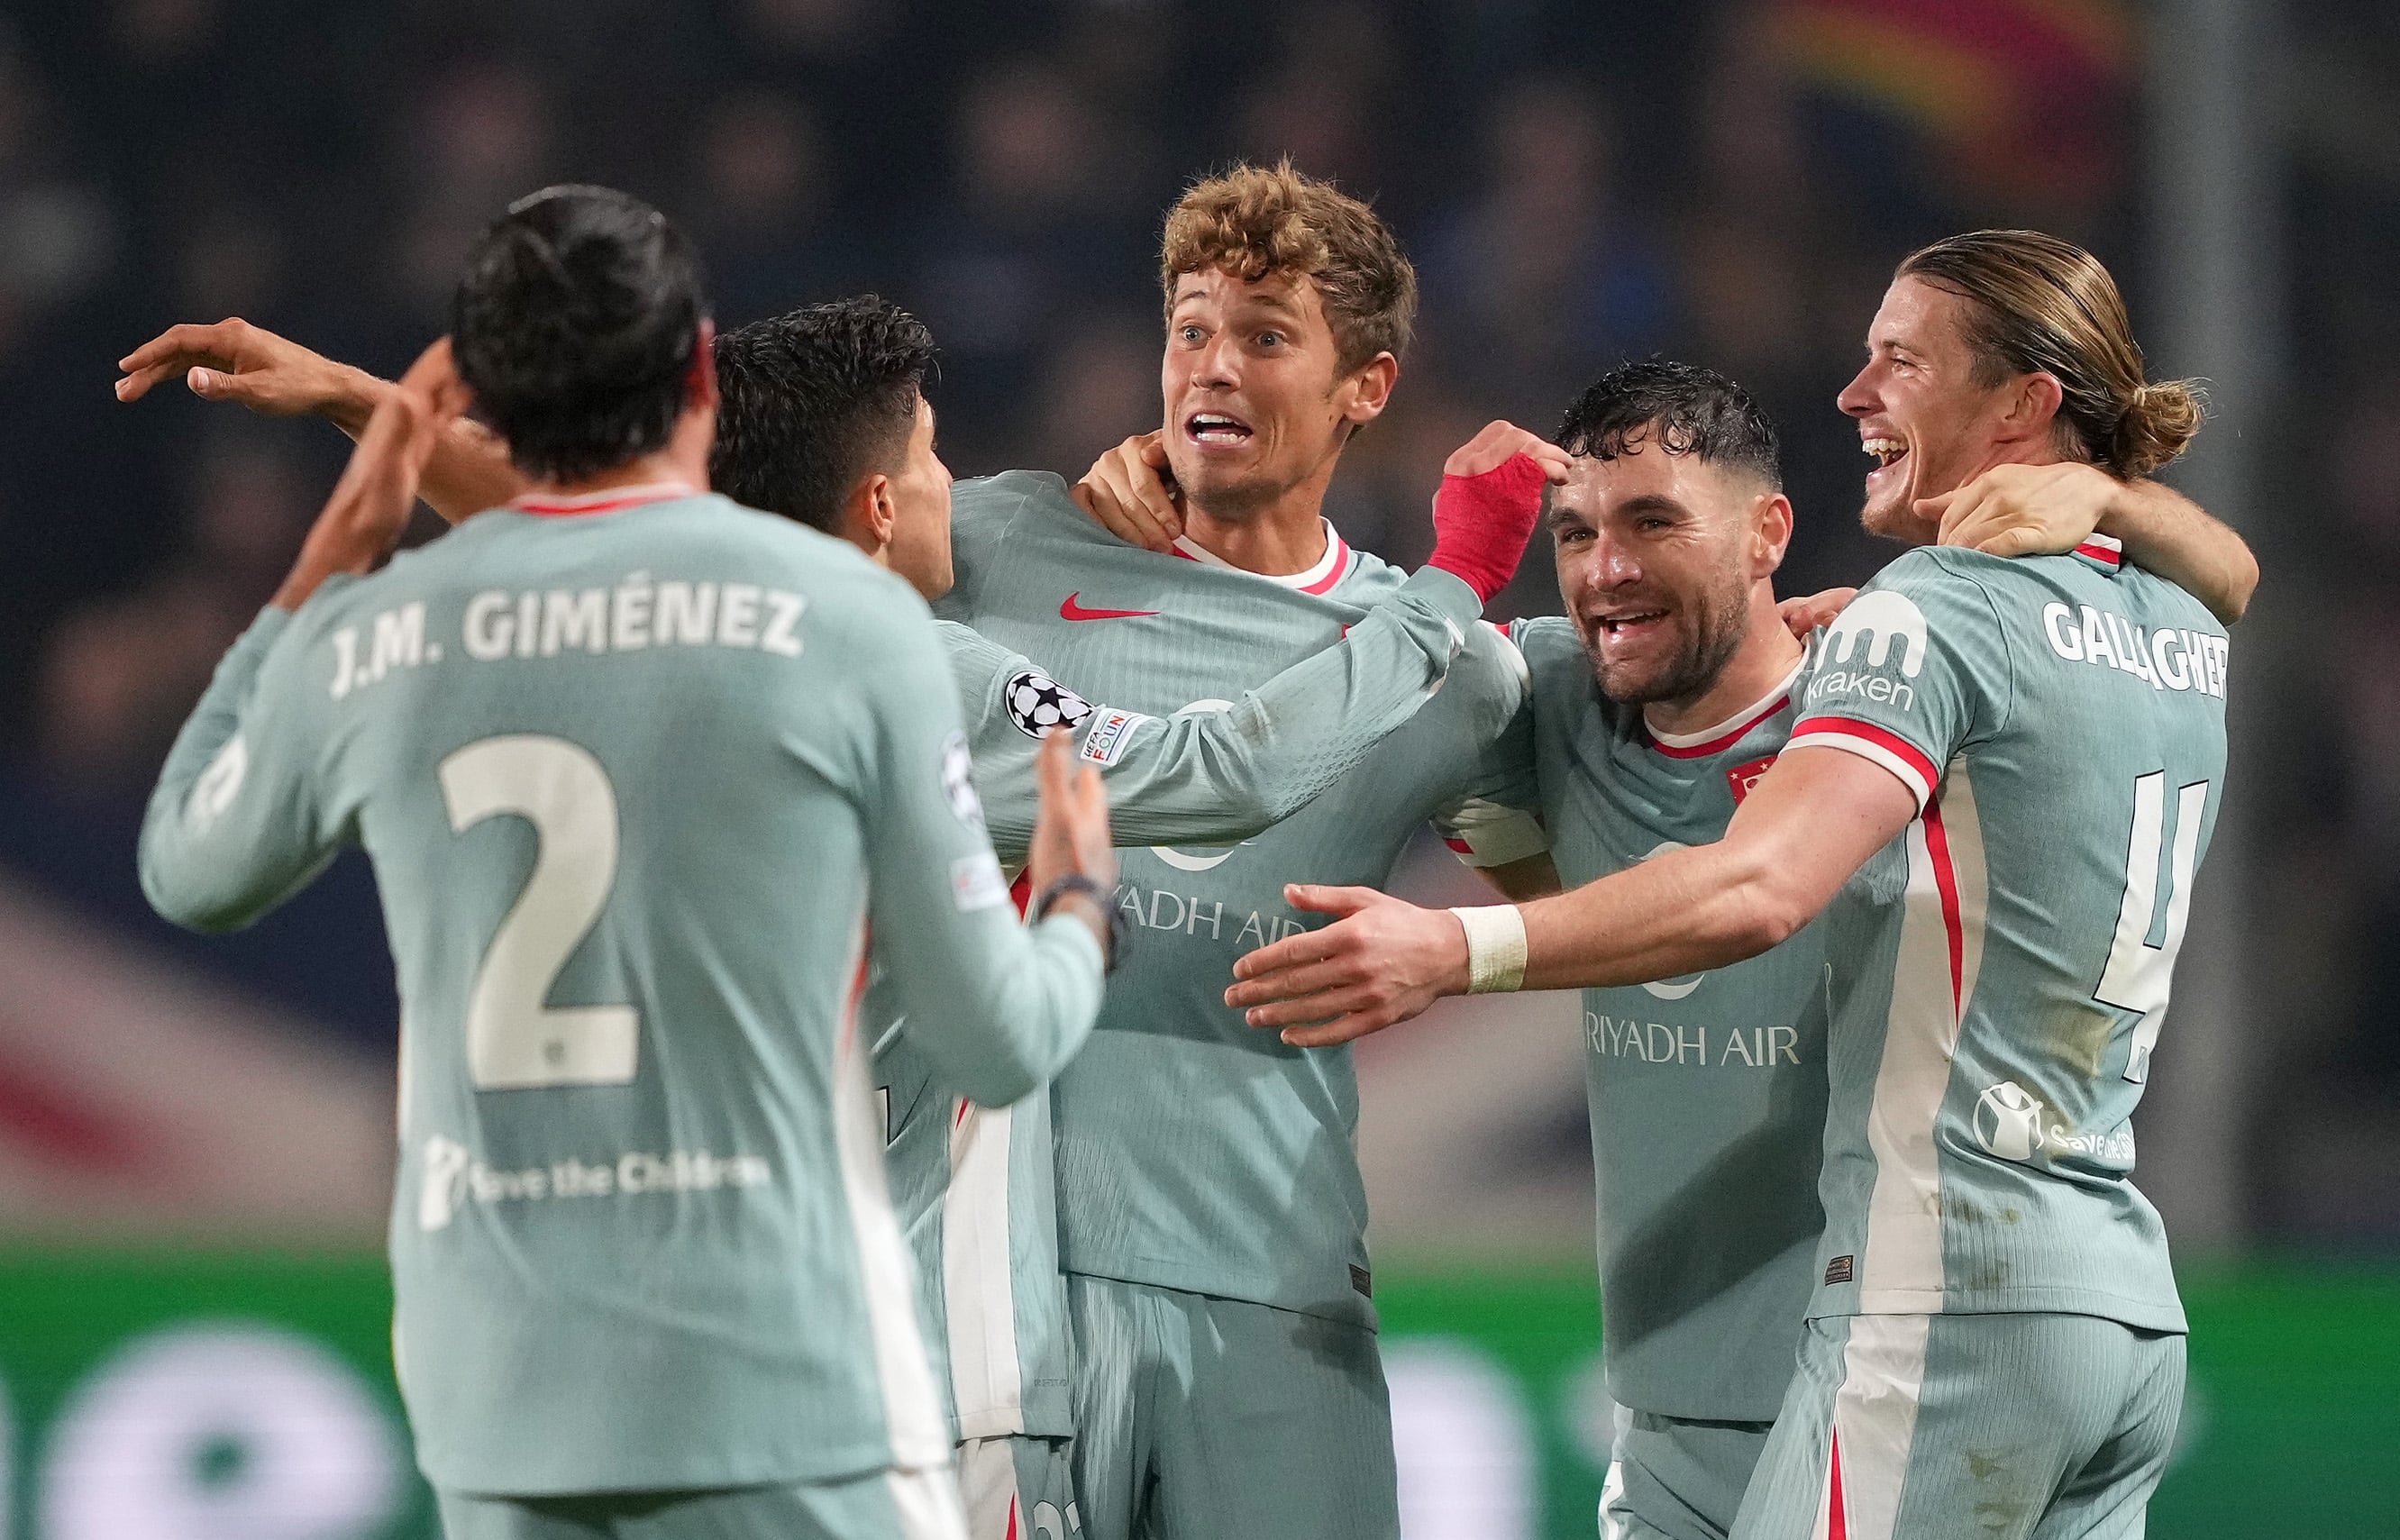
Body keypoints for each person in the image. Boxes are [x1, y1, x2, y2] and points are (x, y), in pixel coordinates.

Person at [117, 291, 1553, 1540]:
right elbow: (1215, 770)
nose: (961, 486)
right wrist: (1447, 590)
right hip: (943, 1328)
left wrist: (367, 415)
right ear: (874, 505)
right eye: (930, 460)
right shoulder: (916, 673)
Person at [1080, 342, 2249, 1540]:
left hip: (1884, 1376)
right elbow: (1294, 670)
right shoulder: (1534, 704)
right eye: (1576, 532)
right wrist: (1182, 507)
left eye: (1651, 522)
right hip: (1669, 1423)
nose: (1607, 568)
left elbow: (2211, 590)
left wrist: (2116, 499)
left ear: (1767, 533)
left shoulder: (1883, 709)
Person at [135, 186, 1117, 1540]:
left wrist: (322, 570)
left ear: (483, 383)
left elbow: (187, 863)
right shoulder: (844, 623)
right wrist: (1073, 902)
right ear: (702, 375)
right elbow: (1001, 1042)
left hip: (503, 1408)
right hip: (786, 1397)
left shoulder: (380, 636)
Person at [930, 160, 1557, 1540]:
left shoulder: (1445, 668)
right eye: (1191, 328)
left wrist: (1453, 956)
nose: (1212, 364)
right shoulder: (1010, 540)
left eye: (1267, 336)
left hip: (1276, 1294)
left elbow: (1561, 901)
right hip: (1006, 1283)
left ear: (1365, 389)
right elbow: (746, 545)